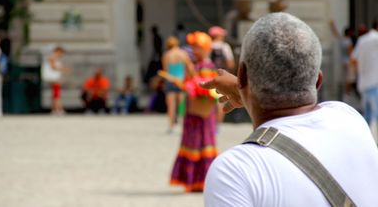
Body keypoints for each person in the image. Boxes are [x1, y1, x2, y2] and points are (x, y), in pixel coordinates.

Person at [201, 13, 378, 206]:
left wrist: (248, 89)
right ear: (318, 80)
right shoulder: (348, 117)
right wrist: (247, 88)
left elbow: (276, 111)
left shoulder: (235, 171)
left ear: (242, 76)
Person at [170, 31, 219, 192]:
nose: (194, 50)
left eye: (197, 47)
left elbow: (207, 88)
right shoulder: (195, 65)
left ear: (206, 48)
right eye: (193, 47)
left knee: (202, 142)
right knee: (191, 142)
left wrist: (193, 84)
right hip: (193, 111)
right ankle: (192, 181)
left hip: (203, 112)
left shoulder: (206, 66)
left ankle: (202, 181)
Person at [162, 36, 195, 133]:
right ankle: (183, 124)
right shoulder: (183, 53)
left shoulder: (167, 55)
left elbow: (166, 70)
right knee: (182, 105)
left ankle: (171, 126)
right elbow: (190, 68)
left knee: (171, 105)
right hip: (181, 81)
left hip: (170, 80)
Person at [351, 22, 378, 140]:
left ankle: (366, 142)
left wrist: (362, 70)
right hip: (375, 82)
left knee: (367, 116)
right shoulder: (376, 39)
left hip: (364, 83)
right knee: (375, 116)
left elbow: (353, 59)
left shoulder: (362, 40)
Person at [41, 46, 69, 115]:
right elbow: (53, 67)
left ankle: (54, 109)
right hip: (53, 79)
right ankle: (58, 109)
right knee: (56, 94)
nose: (61, 55)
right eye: (61, 53)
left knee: (55, 94)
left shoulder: (54, 58)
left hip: (55, 78)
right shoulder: (52, 57)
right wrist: (63, 69)